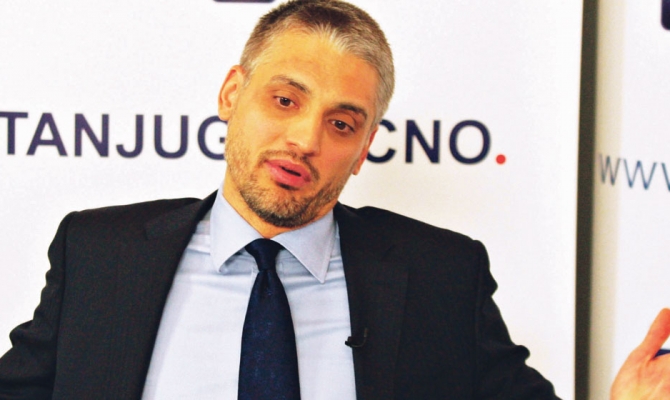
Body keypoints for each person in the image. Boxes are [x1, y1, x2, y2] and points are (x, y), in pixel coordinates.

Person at [0, 0, 664, 399]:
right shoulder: (100, 253)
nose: (304, 140)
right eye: (284, 100)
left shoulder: (440, 276)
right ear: (232, 93)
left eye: (341, 123)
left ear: (365, 144)